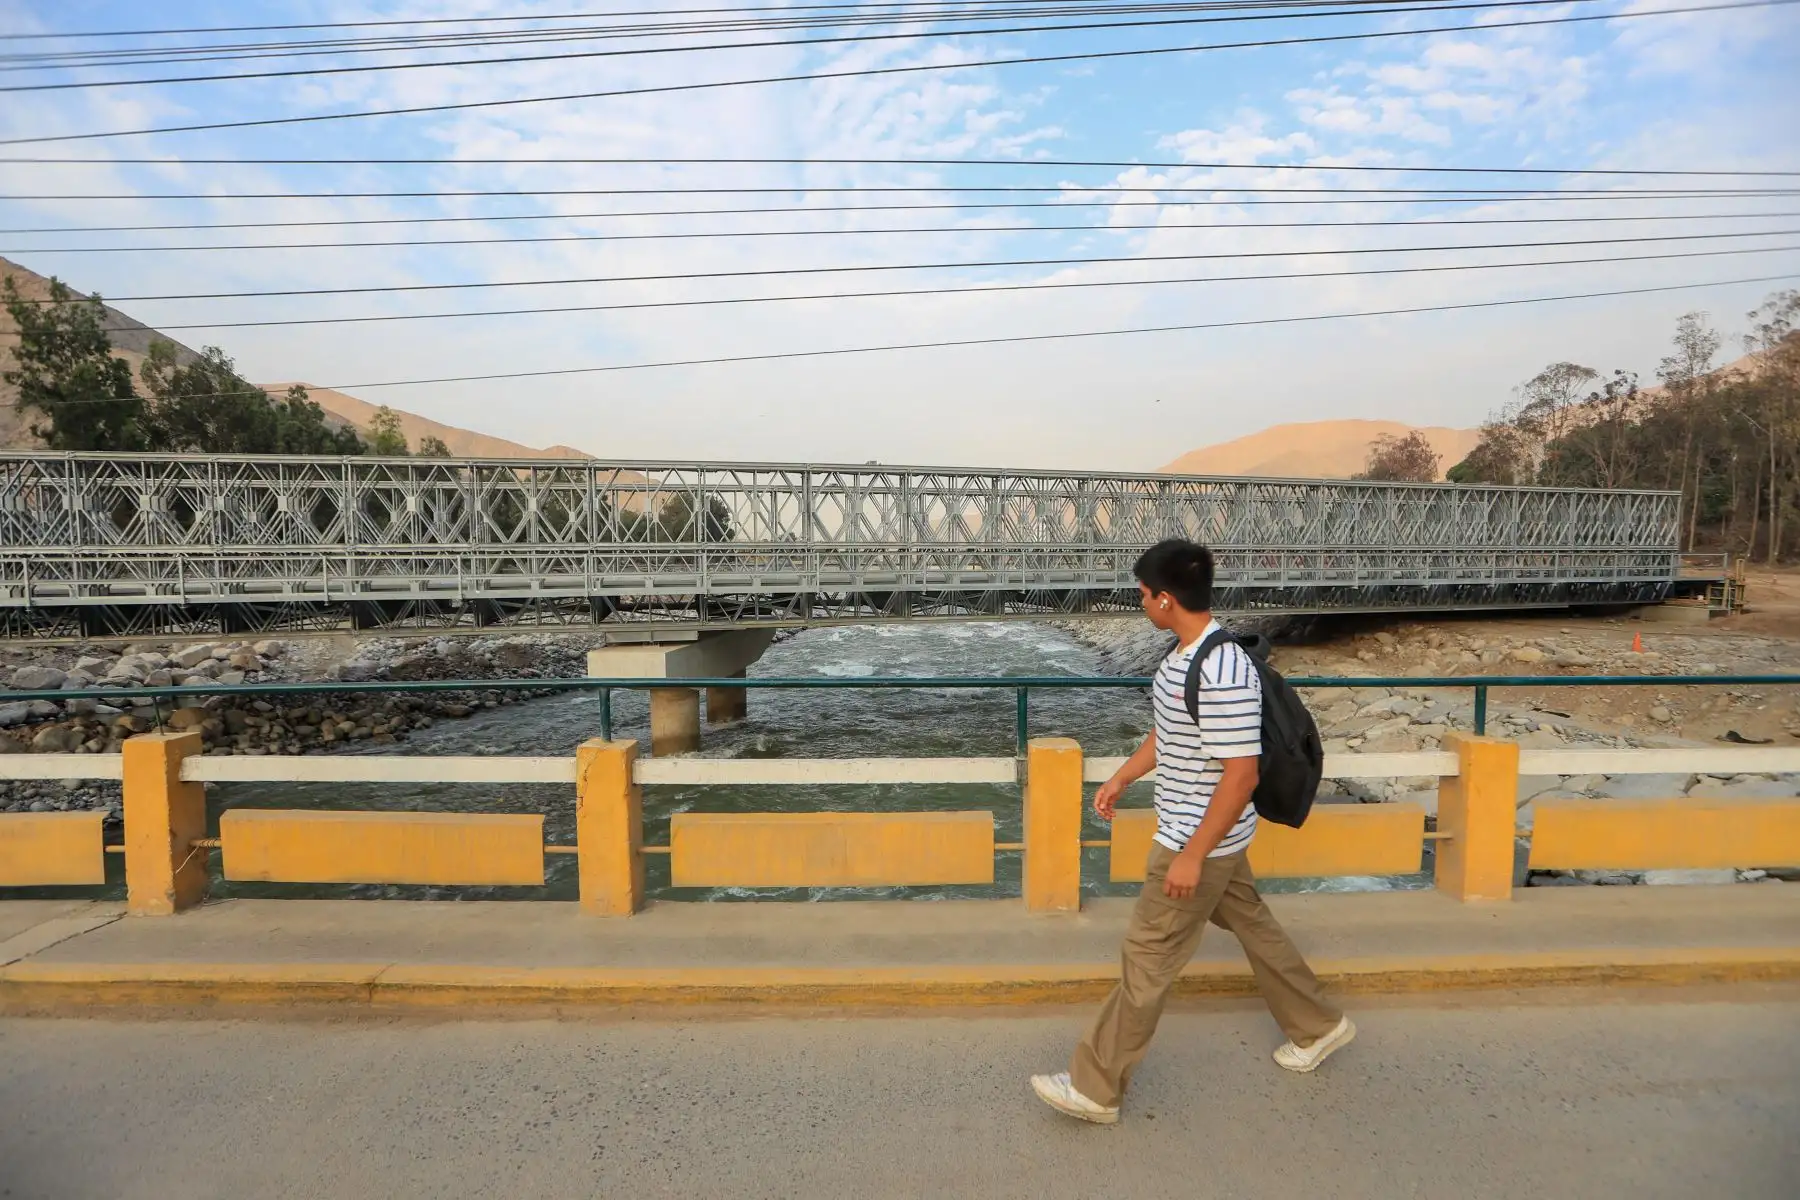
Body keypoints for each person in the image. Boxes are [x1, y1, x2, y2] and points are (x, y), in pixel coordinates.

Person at [1031, 539, 1354, 1125]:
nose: (1139, 602)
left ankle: (1095, 1086)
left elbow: (1241, 773)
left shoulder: (1221, 667)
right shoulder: (1188, 656)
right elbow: (1172, 734)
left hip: (1195, 840)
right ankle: (1319, 1025)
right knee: (1254, 926)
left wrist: (1191, 856)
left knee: (1146, 959)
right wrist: (1122, 777)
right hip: (1211, 839)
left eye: (1142, 593)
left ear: (1165, 599)